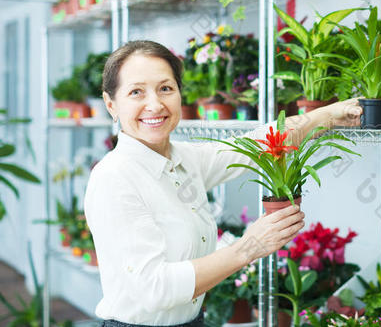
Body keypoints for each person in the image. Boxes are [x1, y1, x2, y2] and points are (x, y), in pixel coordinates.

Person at [84, 40, 362, 327]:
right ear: (111, 104)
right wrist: (249, 247)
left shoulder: (184, 159)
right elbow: (154, 288)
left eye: (165, 88)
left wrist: (326, 115)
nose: (155, 104)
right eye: (136, 92)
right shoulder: (114, 179)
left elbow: (256, 144)